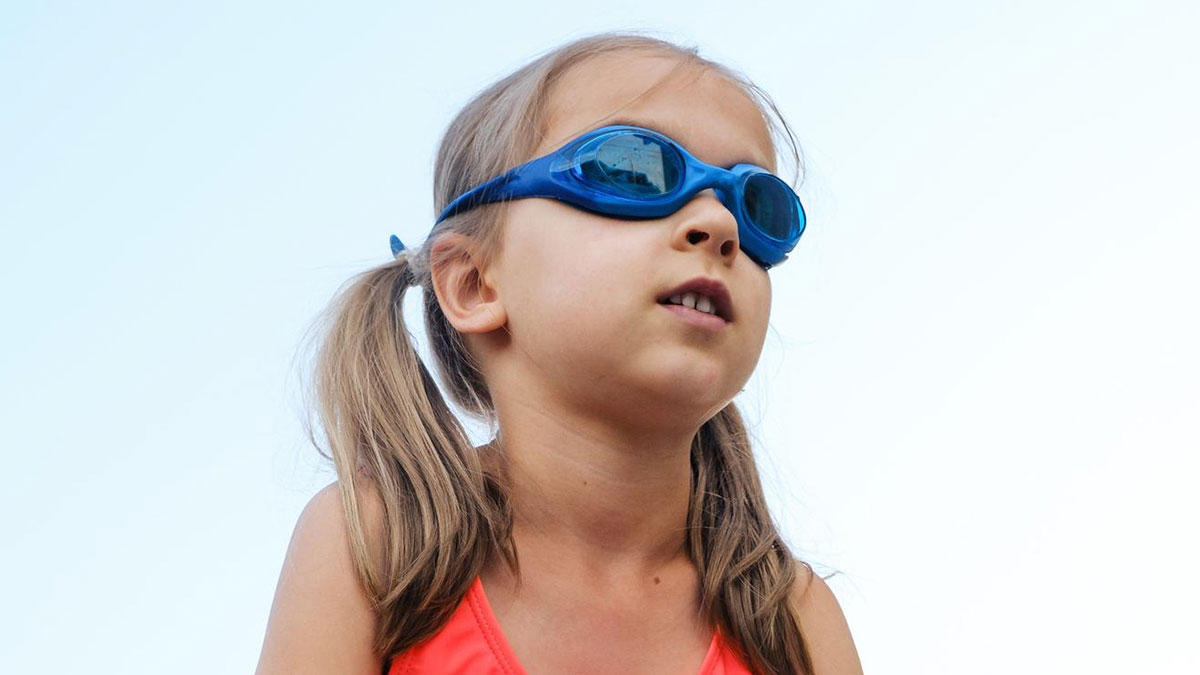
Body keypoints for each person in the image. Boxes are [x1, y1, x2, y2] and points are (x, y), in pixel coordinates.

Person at [255, 31, 864, 675]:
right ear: (474, 283)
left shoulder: (793, 618)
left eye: (759, 206)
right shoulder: (379, 542)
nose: (720, 225)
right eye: (631, 168)